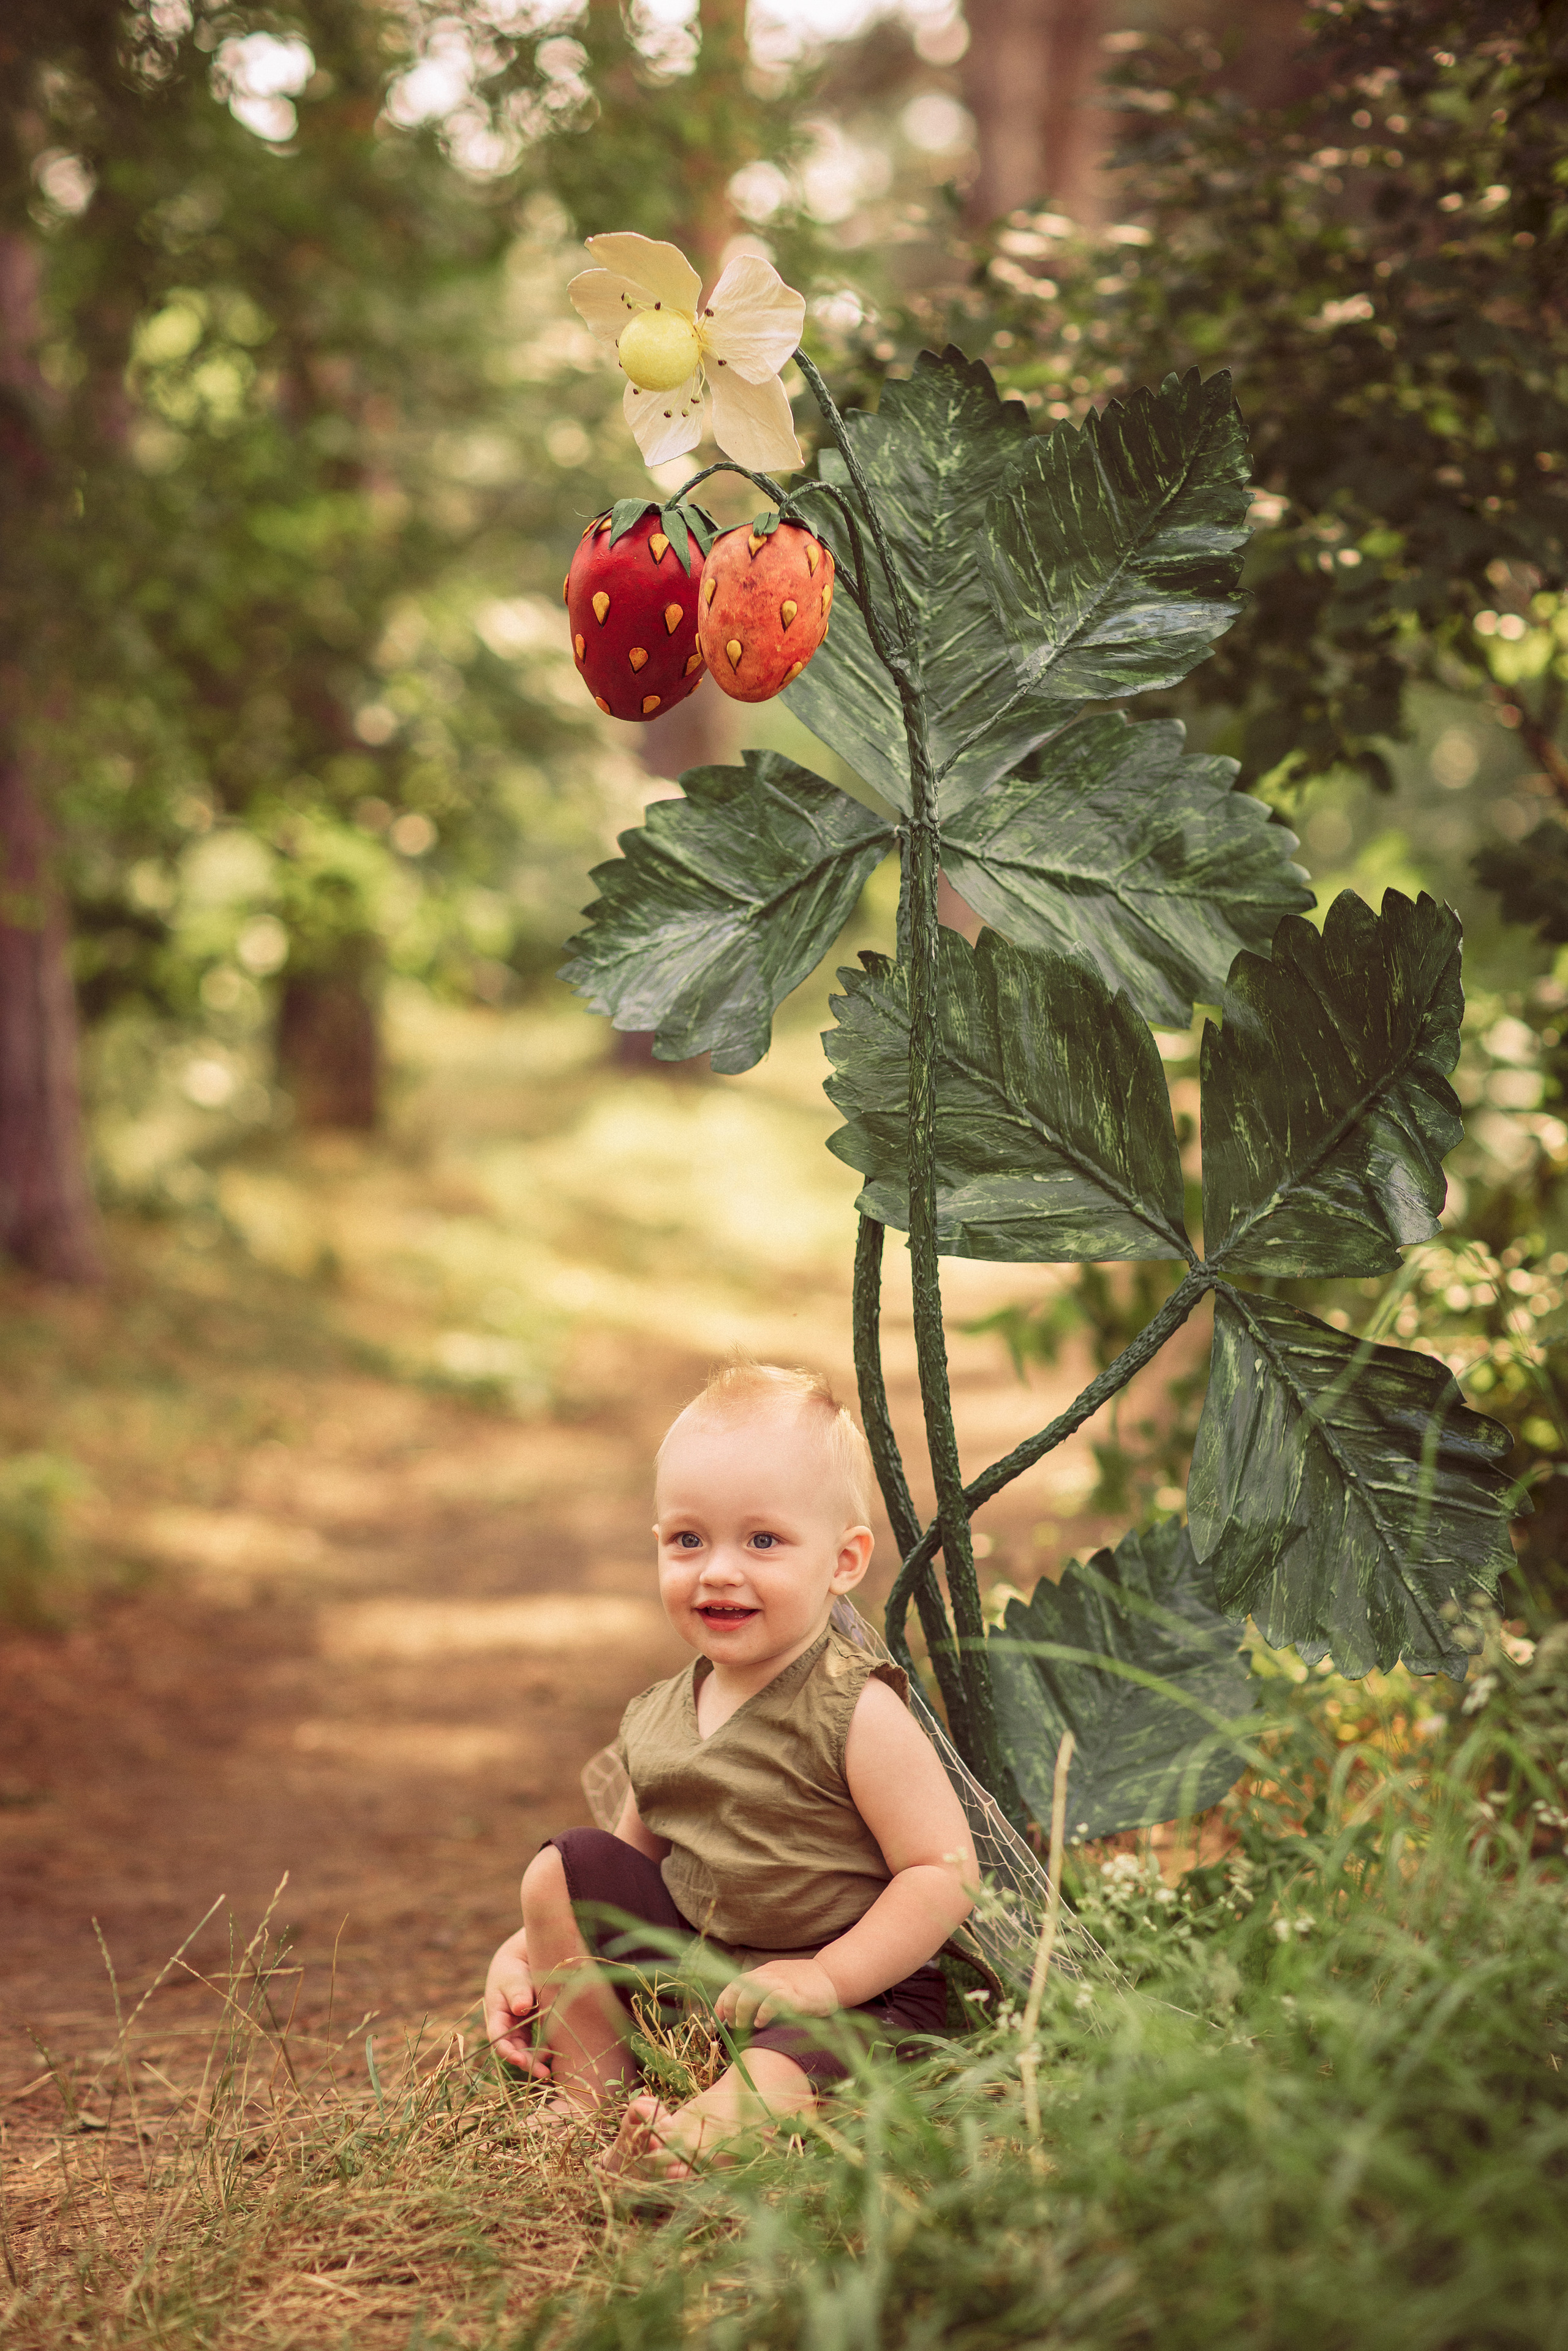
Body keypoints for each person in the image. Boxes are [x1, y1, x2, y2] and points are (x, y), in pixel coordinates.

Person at [481, 1361, 976, 2180]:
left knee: (780, 2068)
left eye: (762, 1541)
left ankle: (690, 2140)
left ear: (843, 1561)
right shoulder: (660, 1713)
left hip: (855, 1990)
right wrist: (528, 1949)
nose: (716, 1569)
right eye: (688, 1539)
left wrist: (825, 1977)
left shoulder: (854, 1708)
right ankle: (588, 2098)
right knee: (559, 1866)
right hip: (712, 1980)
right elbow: (623, 1872)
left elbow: (944, 1871)